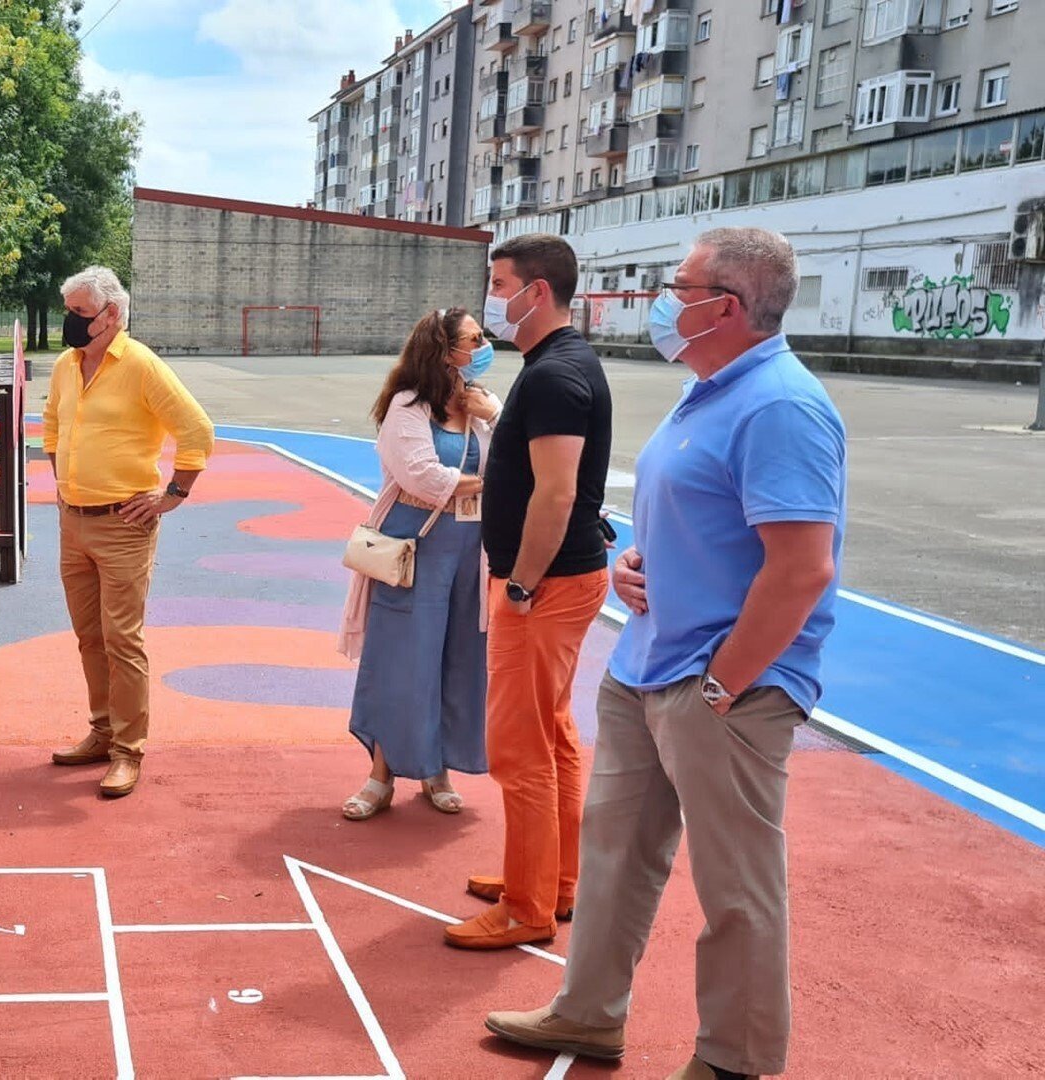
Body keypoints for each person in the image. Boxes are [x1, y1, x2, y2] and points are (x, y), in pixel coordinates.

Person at [487, 228, 845, 1080]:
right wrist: (638, 564)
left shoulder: (780, 406)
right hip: (647, 666)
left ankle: (733, 1060)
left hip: (720, 686)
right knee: (615, 857)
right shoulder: (708, 391)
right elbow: (705, 519)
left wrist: (724, 684)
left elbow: (802, 568)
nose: (661, 300)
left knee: (736, 886)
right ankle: (587, 1011)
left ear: (725, 306)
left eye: (677, 286)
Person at [446, 233, 613, 951]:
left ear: (536, 291)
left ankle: (527, 908)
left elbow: (556, 493)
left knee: (521, 748)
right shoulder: (554, 364)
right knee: (552, 734)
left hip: (544, 586)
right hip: (560, 580)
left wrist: (520, 582)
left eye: (499, 283)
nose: (491, 299)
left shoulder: (554, 375)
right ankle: (552, 881)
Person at [44, 266, 215, 798]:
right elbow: (52, 425)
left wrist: (174, 494)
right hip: (73, 521)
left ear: (111, 314)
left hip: (123, 524)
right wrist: (62, 480)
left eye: (79, 313)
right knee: (89, 636)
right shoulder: (66, 366)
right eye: (68, 311)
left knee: (122, 639)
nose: (70, 322)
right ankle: (102, 731)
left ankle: (127, 750)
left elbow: (197, 430)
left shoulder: (141, 365)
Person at [338, 308, 500, 820]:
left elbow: (518, 457)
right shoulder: (407, 406)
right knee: (402, 660)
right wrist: (490, 482)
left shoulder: (483, 405)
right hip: (414, 548)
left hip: (471, 551)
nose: (484, 346)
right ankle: (380, 776)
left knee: (459, 658)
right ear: (445, 349)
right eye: (474, 338)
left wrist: (495, 415)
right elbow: (421, 476)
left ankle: (437, 770)